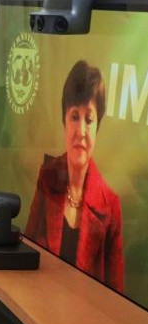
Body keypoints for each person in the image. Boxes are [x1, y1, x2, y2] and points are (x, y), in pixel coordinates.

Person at [24, 60, 124, 291]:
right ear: (64, 122)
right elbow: (26, 252)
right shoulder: (48, 176)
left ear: (98, 126)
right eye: (74, 117)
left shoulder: (111, 206)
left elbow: (116, 297)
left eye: (89, 119)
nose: (81, 131)